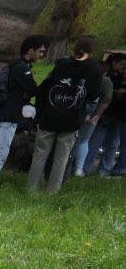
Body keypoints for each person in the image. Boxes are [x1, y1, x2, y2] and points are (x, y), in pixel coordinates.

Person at [28, 35, 102, 193]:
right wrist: (85, 113)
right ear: (92, 51)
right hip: (72, 118)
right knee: (61, 157)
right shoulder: (95, 69)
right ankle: (53, 190)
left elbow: (45, 86)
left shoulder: (62, 63)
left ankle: (32, 187)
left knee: (40, 154)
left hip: (51, 114)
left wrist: (41, 109)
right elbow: (94, 96)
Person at [0, 35, 47, 188]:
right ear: (30, 50)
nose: (42, 55)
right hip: (6, 116)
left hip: (7, 115)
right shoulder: (22, 68)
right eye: (40, 52)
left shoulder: (18, 66)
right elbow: (33, 89)